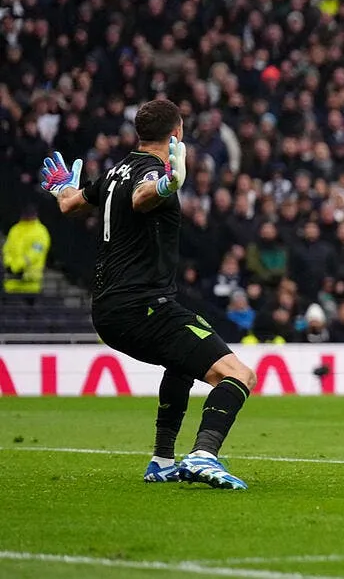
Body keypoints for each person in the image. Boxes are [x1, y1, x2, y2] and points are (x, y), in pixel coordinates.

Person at [44, 100, 257, 490]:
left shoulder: (112, 174)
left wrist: (62, 187)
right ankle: (204, 455)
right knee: (239, 374)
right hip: (141, 306)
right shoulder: (152, 172)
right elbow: (143, 198)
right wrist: (167, 184)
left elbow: (70, 204)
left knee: (182, 364)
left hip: (109, 310)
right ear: (176, 133)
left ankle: (161, 460)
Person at [3, 203, 51, 294]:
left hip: (30, 283)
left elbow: (35, 253)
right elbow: (7, 249)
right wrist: (9, 264)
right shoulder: (15, 229)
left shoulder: (41, 232)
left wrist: (16, 266)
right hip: (11, 283)